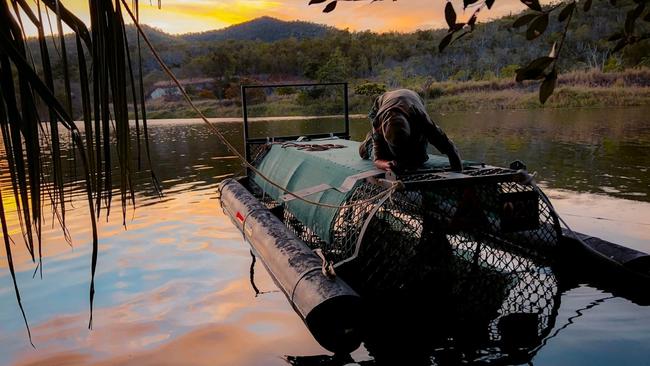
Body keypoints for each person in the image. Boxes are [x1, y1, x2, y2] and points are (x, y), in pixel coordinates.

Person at [359, 89, 462, 172]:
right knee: (387, 154)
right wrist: (387, 165)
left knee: (420, 159)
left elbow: (451, 149)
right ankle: (369, 143)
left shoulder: (420, 118)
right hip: (381, 105)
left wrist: (458, 173)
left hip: (413, 101)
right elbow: (378, 160)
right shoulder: (378, 124)